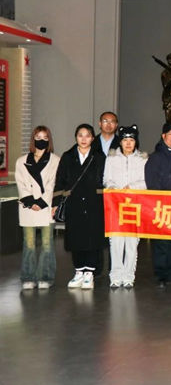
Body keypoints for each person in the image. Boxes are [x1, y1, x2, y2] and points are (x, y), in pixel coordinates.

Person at [54, 124, 106, 290]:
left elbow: (105, 179)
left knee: (92, 238)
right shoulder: (68, 156)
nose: (84, 139)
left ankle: (89, 273)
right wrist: (55, 203)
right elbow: (60, 180)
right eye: (80, 135)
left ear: (92, 138)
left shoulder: (99, 156)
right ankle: (78, 271)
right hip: (74, 203)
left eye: (87, 135)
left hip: (94, 203)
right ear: (76, 137)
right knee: (76, 238)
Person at [103, 125, 148, 289]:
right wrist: (113, 187)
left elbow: (146, 182)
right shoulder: (111, 158)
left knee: (131, 243)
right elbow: (106, 179)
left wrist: (132, 187)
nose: (128, 143)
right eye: (125, 140)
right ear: (120, 142)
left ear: (136, 142)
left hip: (134, 206)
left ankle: (129, 276)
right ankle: (115, 276)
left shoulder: (143, 159)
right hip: (115, 205)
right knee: (115, 242)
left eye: (131, 140)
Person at [16, 126, 60, 290]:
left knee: (47, 243)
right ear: (33, 139)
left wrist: (41, 202)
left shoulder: (55, 160)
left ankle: (46, 276)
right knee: (29, 243)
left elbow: (53, 184)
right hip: (27, 207)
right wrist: (30, 201)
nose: (41, 140)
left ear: (49, 140)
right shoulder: (21, 161)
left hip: (45, 207)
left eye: (45, 137)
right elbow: (21, 183)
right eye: (38, 137)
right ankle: (28, 276)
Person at [145, 122, 171, 287]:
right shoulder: (156, 157)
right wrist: (160, 200)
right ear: (163, 136)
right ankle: (161, 274)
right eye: (170, 134)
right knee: (161, 242)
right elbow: (151, 181)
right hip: (161, 205)